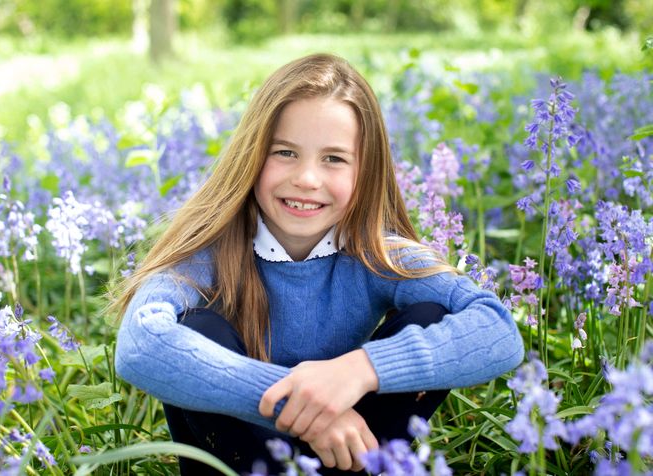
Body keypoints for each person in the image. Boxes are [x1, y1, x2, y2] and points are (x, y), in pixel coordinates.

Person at [111, 53, 524, 475]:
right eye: (285, 152)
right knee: (197, 328)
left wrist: (359, 371)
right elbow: (140, 344)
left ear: (364, 172)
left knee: (433, 314)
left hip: (348, 459)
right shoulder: (209, 254)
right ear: (251, 157)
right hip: (243, 462)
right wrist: (301, 406)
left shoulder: (378, 254)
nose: (307, 178)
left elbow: (499, 330)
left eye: (334, 158)